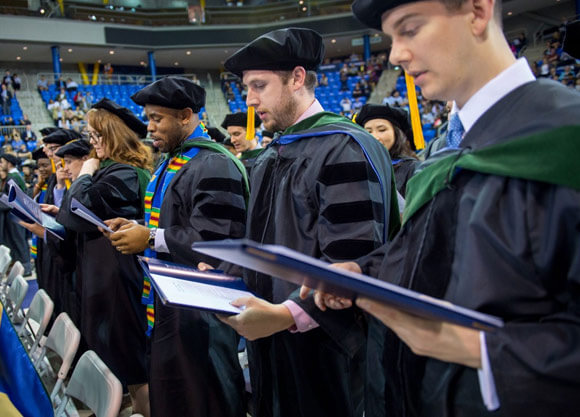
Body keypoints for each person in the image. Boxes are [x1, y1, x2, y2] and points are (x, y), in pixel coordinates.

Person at [308, 1, 580, 416]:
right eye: (390, 38)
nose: (395, 54)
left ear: (476, 11)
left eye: (410, 29)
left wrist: (483, 350)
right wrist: (365, 273)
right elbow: (436, 256)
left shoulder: (566, 140)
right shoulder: (442, 157)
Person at [214, 27, 398, 417]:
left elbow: (355, 259)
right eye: (247, 88)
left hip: (327, 349)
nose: (250, 101)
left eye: (259, 85)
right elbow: (264, 242)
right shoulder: (274, 153)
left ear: (297, 78)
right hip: (273, 338)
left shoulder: (342, 147)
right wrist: (216, 275)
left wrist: (286, 316)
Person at [105, 76, 248, 417]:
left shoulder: (215, 163)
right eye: (149, 118)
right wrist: (140, 229)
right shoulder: (170, 162)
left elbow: (216, 241)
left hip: (203, 311)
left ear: (186, 116)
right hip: (173, 301)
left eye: (157, 118)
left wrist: (150, 238)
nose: (149, 127)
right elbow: (170, 224)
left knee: (206, 399)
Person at [56, 98, 152, 417]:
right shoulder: (113, 171)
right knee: (115, 359)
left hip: (119, 280)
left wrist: (83, 173)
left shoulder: (125, 173)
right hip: (103, 277)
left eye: (96, 135)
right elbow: (76, 214)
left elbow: (79, 213)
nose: (93, 142)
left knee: (131, 362)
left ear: (112, 136)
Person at [355, 104, 419, 197]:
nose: (375, 137)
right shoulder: (361, 169)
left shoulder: (412, 169)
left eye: (382, 130)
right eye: (368, 132)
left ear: (396, 133)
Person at [0, 153, 32, 277]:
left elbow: (16, 199)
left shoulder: (13, 177)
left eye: (2, 162)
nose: (1, 164)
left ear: (9, 163)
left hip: (17, 214)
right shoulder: (10, 177)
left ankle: (26, 267)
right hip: (13, 213)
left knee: (18, 240)